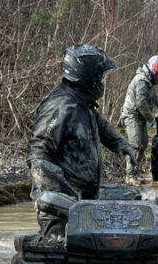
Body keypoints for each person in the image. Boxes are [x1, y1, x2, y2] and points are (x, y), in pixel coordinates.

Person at [28, 44, 139, 238]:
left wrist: (120, 143)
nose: (101, 83)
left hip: (82, 202)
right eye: (99, 77)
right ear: (87, 76)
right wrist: (56, 198)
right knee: (62, 259)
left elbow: (98, 124)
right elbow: (38, 153)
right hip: (61, 208)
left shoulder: (82, 103)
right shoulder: (61, 107)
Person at [121, 55, 158, 184]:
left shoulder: (148, 82)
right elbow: (141, 103)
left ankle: (135, 174)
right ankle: (130, 175)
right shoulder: (142, 80)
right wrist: (151, 118)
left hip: (140, 117)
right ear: (154, 69)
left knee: (143, 144)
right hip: (132, 116)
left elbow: (155, 99)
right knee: (135, 145)